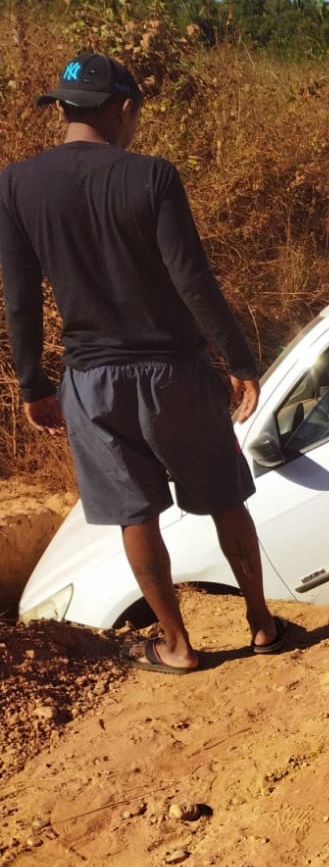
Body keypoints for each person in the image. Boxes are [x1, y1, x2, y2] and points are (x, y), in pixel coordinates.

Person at [0, 53, 286, 673]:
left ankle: (178, 647)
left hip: (91, 383)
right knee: (224, 499)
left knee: (136, 515)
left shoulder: (17, 184)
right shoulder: (152, 177)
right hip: (175, 375)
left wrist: (33, 383)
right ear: (122, 107)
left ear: (64, 107)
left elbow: (19, 296)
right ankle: (262, 625)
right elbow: (193, 280)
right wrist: (238, 358)